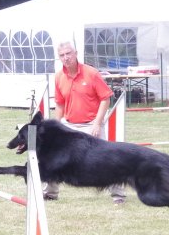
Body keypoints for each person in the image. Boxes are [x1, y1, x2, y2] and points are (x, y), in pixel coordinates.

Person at [44, 40, 126, 205]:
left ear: (76, 54)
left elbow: (105, 98)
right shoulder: (59, 77)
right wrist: (55, 125)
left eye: (68, 54)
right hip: (69, 125)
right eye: (62, 55)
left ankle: (118, 195)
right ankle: (50, 193)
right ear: (59, 58)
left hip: (91, 124)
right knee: (51, 156)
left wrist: (97, 123)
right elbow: (59, 103)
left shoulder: (92, 73)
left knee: (104, 160)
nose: (66, 58)